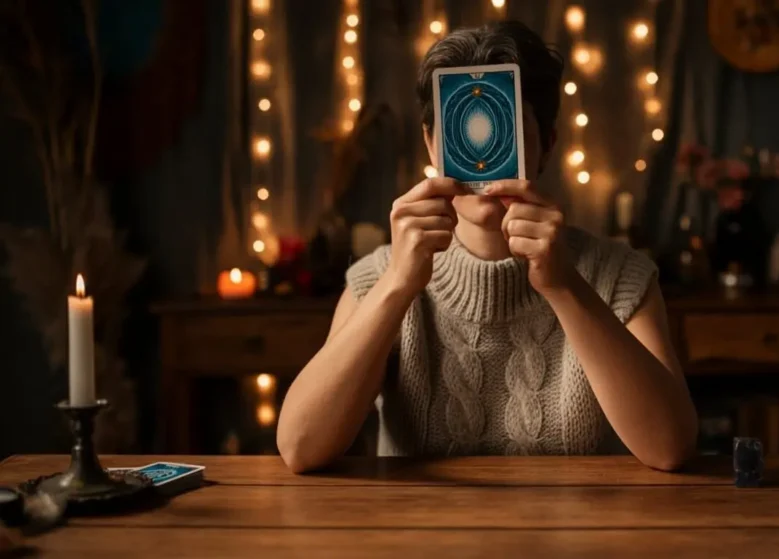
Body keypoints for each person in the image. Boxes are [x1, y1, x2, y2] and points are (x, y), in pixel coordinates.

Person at [277, 20, 698, 473]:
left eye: (509, 130)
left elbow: (668, 447)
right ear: (431, 144)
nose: (484, 161)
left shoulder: (621, 277)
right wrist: (397, 284)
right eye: (460, 129)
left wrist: (564, 287)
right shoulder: (379, 276)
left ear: (547, 146)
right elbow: (301, 447)